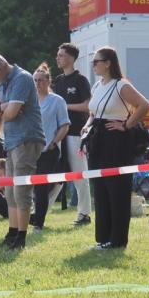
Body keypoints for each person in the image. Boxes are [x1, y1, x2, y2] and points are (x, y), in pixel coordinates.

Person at [81, 47, 149, 250]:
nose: (93, 65)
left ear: (108, 63)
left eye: (96, 61)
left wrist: (127, 125)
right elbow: (93, 113)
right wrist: (87, 125)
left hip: (116, 141)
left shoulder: (121, 85)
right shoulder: (97, 85)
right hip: (97, 139)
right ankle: (103, 238)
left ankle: (118, 240)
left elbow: (144, 105)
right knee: (100, 189)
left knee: (117, 190)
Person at [0, 52, 45, 250]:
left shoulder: (22, 78)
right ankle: (12, 232)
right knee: (10, 190)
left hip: (27, 139)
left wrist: (3, 109)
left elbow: (11, 113)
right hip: (12, 141)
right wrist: (4, 108)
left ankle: (21, 238)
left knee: (21, 190)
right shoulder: (2, 83)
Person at [53, 43, 93, 225]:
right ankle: (39, 215)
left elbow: (88, 106)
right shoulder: (58, 80)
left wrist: (64, 106)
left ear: (71, 58)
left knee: (80, 176)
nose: (57, 58)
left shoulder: (81, 80)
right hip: (59, 133)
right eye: (58, 55)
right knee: (56, 174)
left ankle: (84, 214)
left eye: (61, 55)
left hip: (76, 133)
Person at [31, 62, 70, 232]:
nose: (37, 83)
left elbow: (64, 125)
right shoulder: (29, 100)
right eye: (35, 80)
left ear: (48, 81)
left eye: (40, 80)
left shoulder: (57, 101)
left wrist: (53, 143)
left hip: (48, 150)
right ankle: (28, 218)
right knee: (27, 187)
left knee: (41, 188)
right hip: (29, 151)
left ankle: (38, 223)